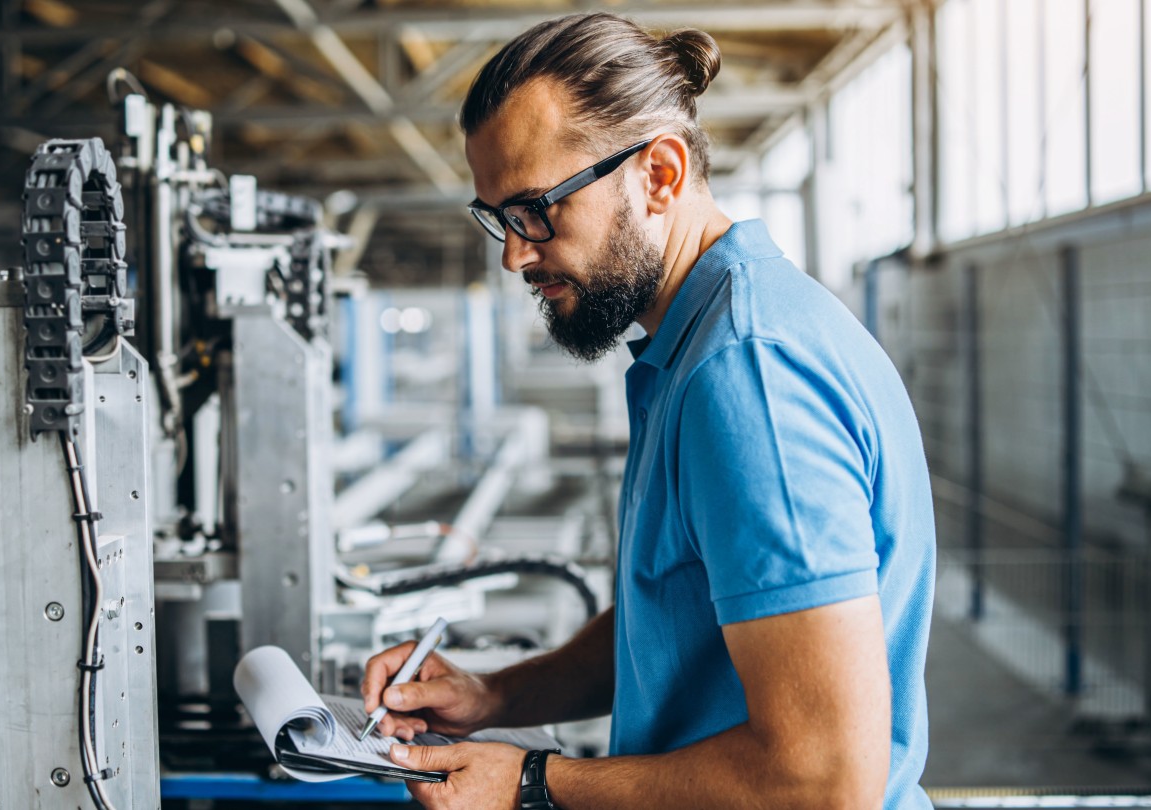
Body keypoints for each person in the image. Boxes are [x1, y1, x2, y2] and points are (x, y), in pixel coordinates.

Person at [360, 12, 935, 809]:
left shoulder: (748, 376)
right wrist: (494, 698)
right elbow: (682, 619)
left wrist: (531, 782)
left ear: (659, 175)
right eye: (498, 217)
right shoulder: (695, 346)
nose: (513, 254)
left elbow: (824, 780)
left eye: (534, 209)